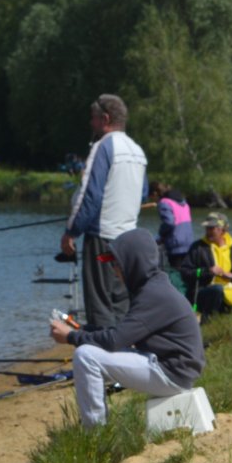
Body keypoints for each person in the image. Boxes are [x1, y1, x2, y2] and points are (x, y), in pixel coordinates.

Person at [47, 230, 203, 428]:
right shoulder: (153, 286)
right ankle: (95, 425)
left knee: (85, 356)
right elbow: (122, 333)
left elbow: (115, 340)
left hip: (172, 374)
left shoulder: (153, 294)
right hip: (175, 369)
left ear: (134, 262)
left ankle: (95, 431)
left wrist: (70, 336)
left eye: (116, 263)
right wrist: (83, 330)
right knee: (90, 351)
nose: (113, 269)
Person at [63, 94, 149, 330]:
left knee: (99, 303)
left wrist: (71, 232)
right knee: (121, 302)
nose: (91, 123)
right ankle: (123, 355)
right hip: (128, 241)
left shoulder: (103, 147)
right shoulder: (137, 150)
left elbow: (89, 196)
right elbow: (142, 193)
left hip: (101, 241)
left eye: (93, 118)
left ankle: (103, 357)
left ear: (105, 118)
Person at [185, 211, 232, 317]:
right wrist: (207, 271)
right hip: (201, 293)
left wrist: (231, 277)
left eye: (212, 228)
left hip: (229, 293)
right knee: (217, 290)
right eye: (207, 228)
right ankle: (206, 321)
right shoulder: (197, 247)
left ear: (223, 230)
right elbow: (185, 272)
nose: (208, 232)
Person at [153, 183, 195, 283]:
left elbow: (169, 222)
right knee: (185, 273)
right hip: (189, 242)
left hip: (175, 243)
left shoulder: (164, 202)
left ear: (155, 193)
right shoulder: (183, 201)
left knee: (176, 274)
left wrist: (161, 235)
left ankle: (177, 294)